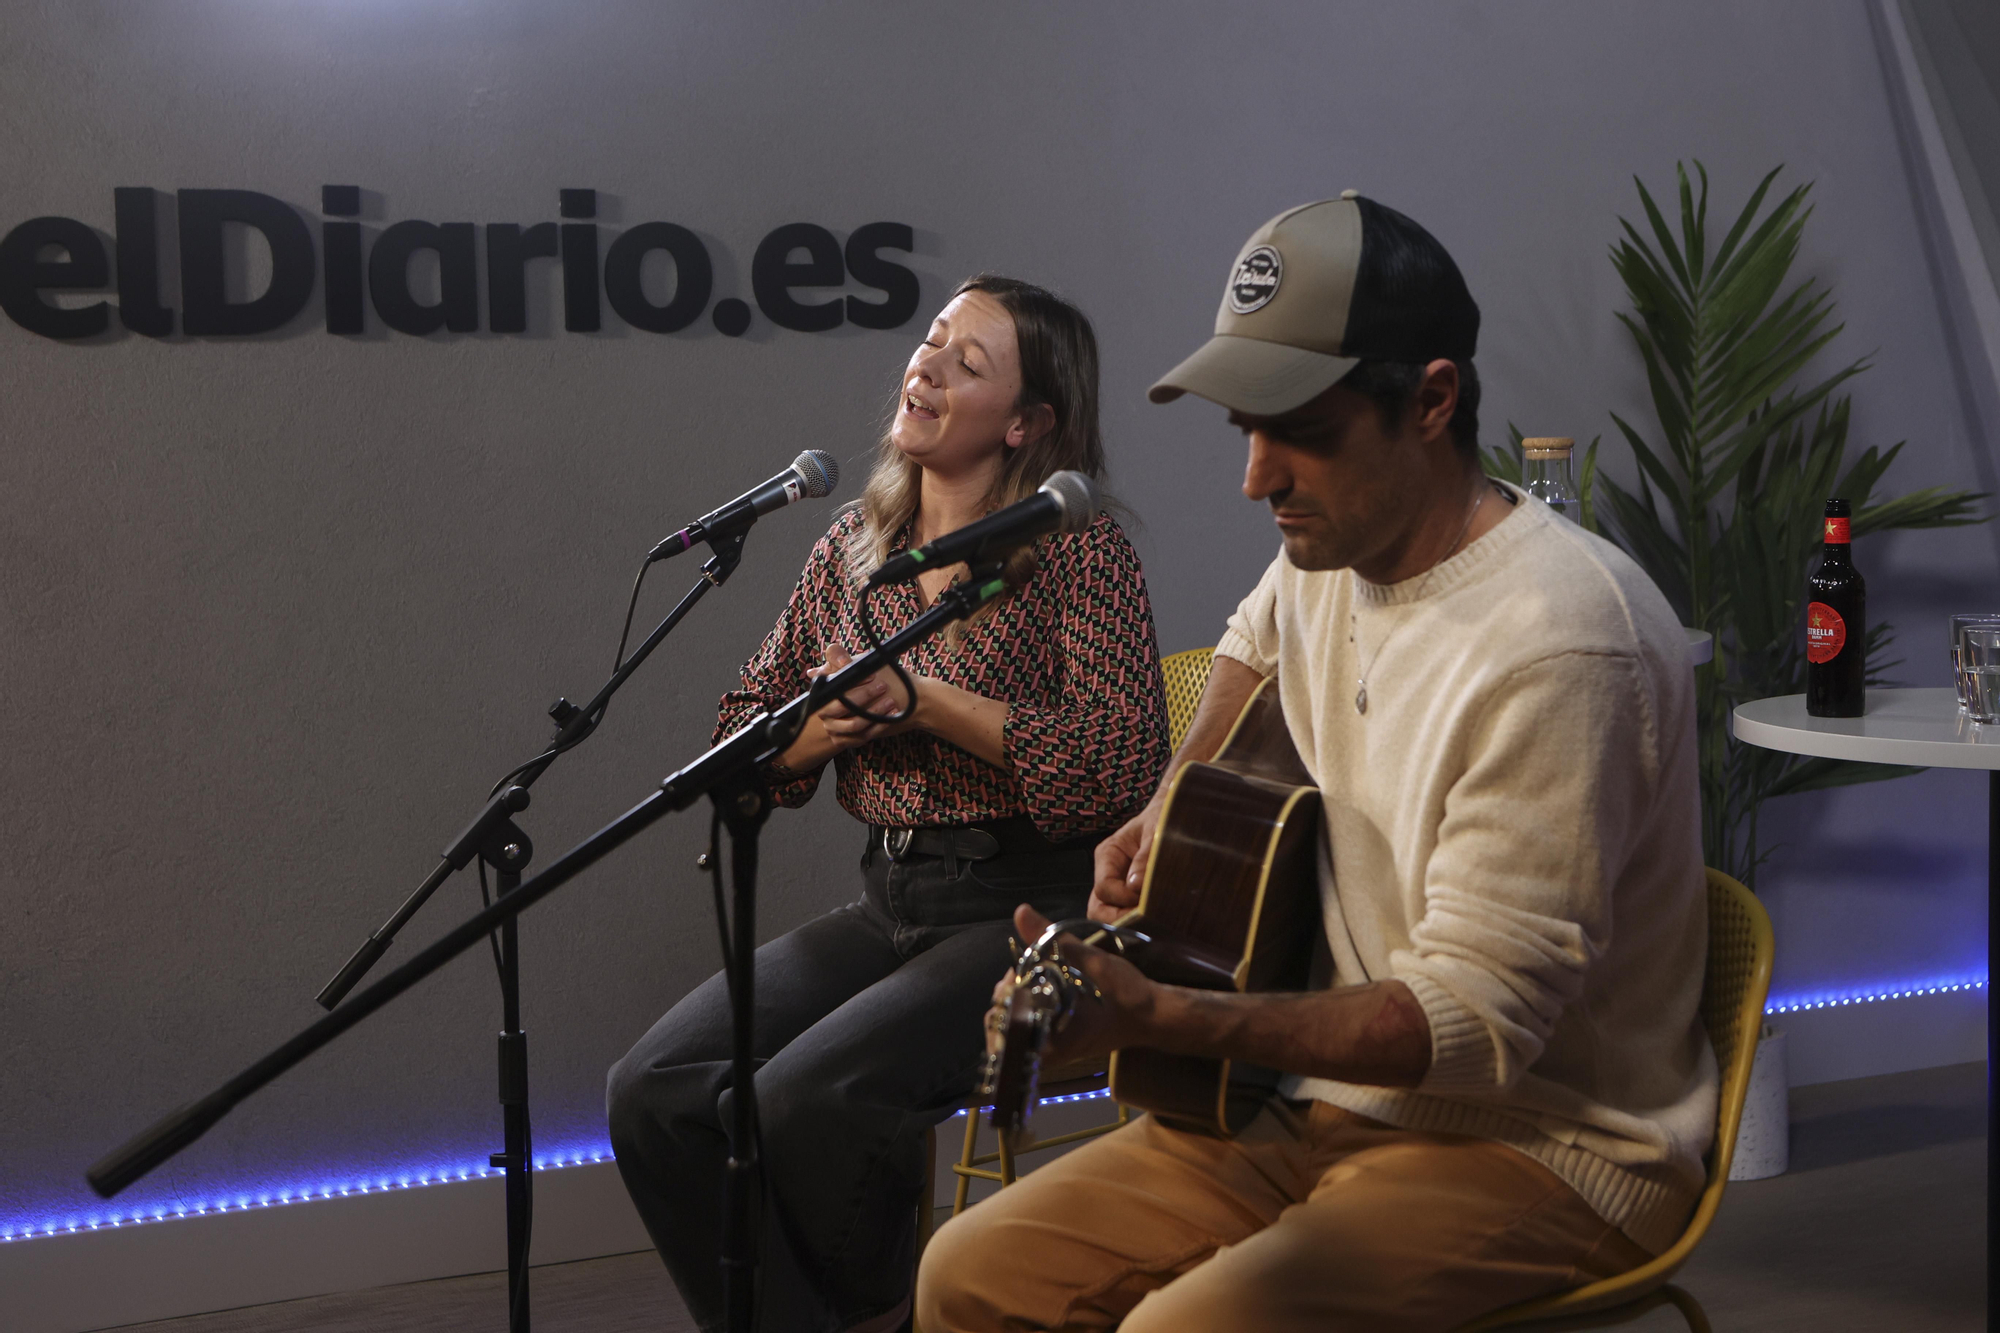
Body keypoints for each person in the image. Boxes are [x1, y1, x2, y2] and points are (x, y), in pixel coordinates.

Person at [916, 196, 1715, 1332]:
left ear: (1431, 400)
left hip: (1540, 1143)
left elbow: (1474, 1027)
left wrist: (1165, 1019)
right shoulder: (1330, 549)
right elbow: (1254, 640)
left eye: (1300, 430)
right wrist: (1164, 808)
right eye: (1245, 427)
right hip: (1311, 1103)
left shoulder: (1561, 640)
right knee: (966, 1271)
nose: (1256, 477)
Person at [607, 275, 1171, 1333]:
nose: (927, 366)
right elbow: (748, 725)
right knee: (655, 1090)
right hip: (890, 896)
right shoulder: (850, 549)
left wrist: (928, 702)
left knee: (807, 1101)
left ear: (1025, 422)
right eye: (930, 343)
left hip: (1036, 906)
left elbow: (1117, 761)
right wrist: (821, 732)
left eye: (968, 363)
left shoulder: (1076, 552)